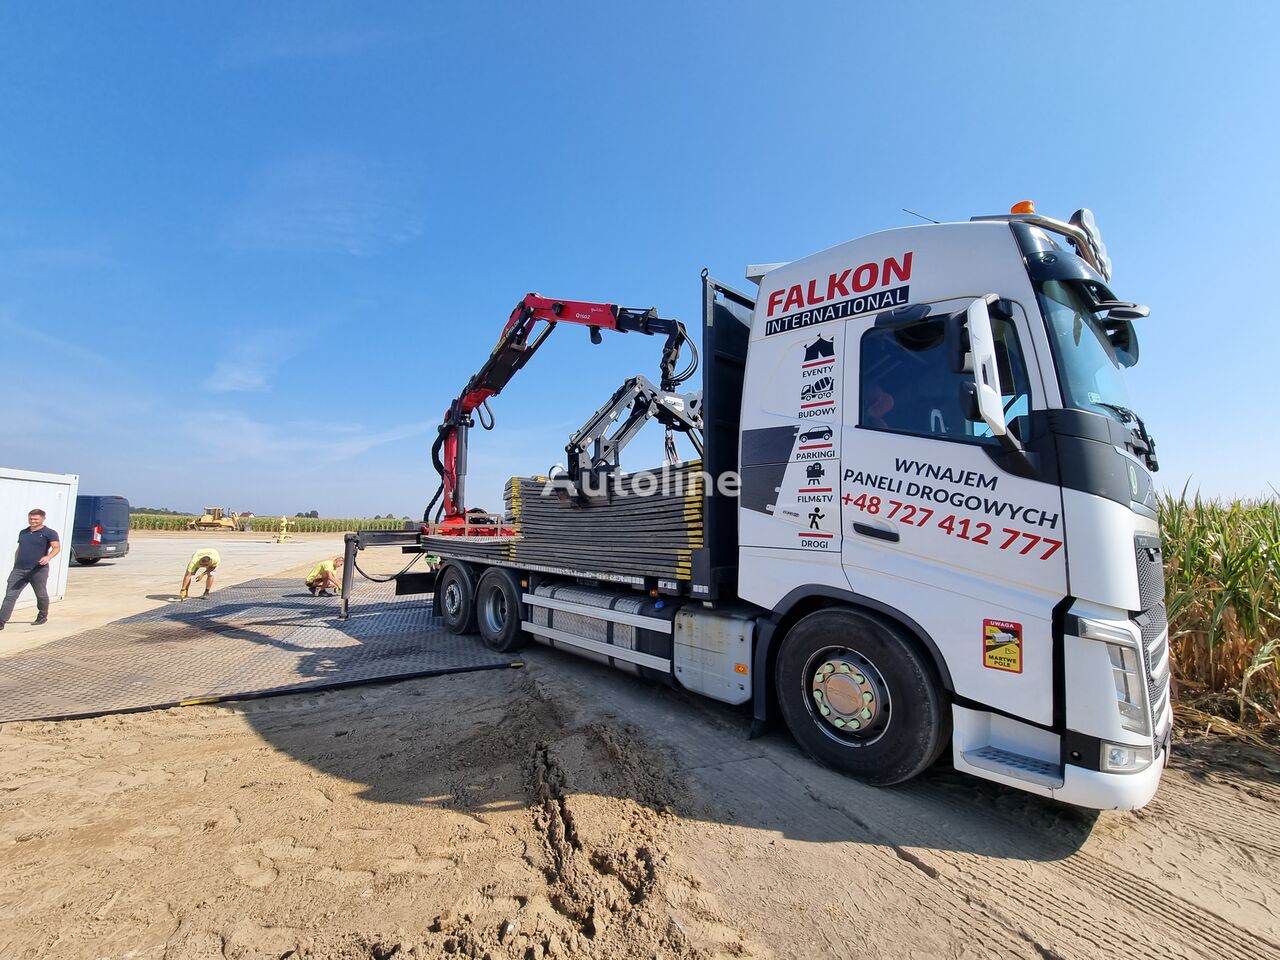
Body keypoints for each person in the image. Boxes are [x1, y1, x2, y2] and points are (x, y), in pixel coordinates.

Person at [0, 508, 61, 630]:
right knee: (10, 596)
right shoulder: (23, 532)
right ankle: (1, 621)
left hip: (38, 570)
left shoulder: (49, 533)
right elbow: (19, 549)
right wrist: (16, 563)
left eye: (36, 519)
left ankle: (42, 615)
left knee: (41, 594)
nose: (32, 521)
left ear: (43, 519)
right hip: (19, 569)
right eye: (30, 519)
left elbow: (56, 547)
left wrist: (48, 557)